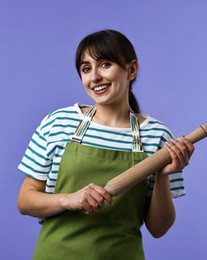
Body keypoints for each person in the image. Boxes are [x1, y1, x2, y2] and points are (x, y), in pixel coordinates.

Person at [17, 29, 195, 260]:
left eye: (105, 64)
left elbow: (159, 229)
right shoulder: (58, 123)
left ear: (131, 69)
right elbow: (25, 200)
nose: (94, 77)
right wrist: (68, 199)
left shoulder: (157, 135)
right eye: (86, 69)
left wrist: (162, 175)